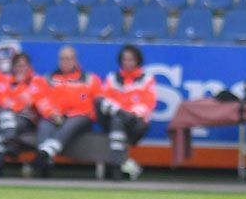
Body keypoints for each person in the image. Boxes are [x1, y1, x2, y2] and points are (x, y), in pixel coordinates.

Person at [32, 45, 104, 178]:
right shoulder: (48, 79)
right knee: (43, 124)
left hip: (80, 118)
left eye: (69, 59)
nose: (65, 62)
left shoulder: (90, 79)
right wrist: (52, 113)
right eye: (62, 59)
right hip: (55, 116)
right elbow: (40, 100)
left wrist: (74, 113)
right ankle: (44, 162)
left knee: (73, 123)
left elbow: (98, 101)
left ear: (75, 60)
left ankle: (47, 151)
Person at [99, 44, 157, 181]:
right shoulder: (112, 78)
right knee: (116, 119)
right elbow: (104, 100)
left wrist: (129, 114)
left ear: (137, 61)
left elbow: (148, 103)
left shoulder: (147, 79)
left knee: (119, 120)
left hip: (136, 122)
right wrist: (121, 112)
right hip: (113, 118)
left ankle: (116, 165)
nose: (128, 62)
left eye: (131, 59)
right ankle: (117, 167)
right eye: (125, 59)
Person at [0, 51, 48, 177]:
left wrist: (15, 104)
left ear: (29, 66)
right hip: (9, 118)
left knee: (4, 119)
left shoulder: (37, 81)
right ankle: (9, 142)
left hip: (28, 119)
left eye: (23, 65)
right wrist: (14, 104)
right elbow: (2, 100)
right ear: (13, 67)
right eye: (18, 66)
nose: (21, 69)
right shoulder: (6, 81)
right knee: (5, 118)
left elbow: (30, 102)